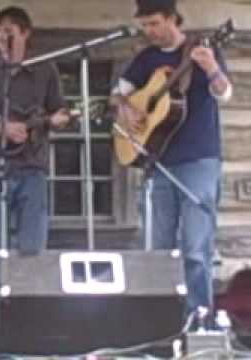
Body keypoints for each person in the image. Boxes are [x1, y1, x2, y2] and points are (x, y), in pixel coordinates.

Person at [111, 0, 232, 324]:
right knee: (159, 248)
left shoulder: (203, 49)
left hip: (198, 160)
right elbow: (117, 94)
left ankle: (198, 321)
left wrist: (211, 68)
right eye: (144, 25)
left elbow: (224, 93)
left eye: (154, 23)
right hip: (158, 162)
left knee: (195, 248)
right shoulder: (146, 59)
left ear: (172, 20)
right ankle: (160, 323)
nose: (149, 31)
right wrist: (127, 108)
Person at [0, 6, 70, 336]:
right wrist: (2, 128)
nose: (2, 37)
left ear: (25, 33)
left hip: (32, 169)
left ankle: (31, 336)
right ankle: (1, 337)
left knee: (32, 255)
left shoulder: (44, 71)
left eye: (9, 30)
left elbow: (61, 113)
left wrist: (59, 120)